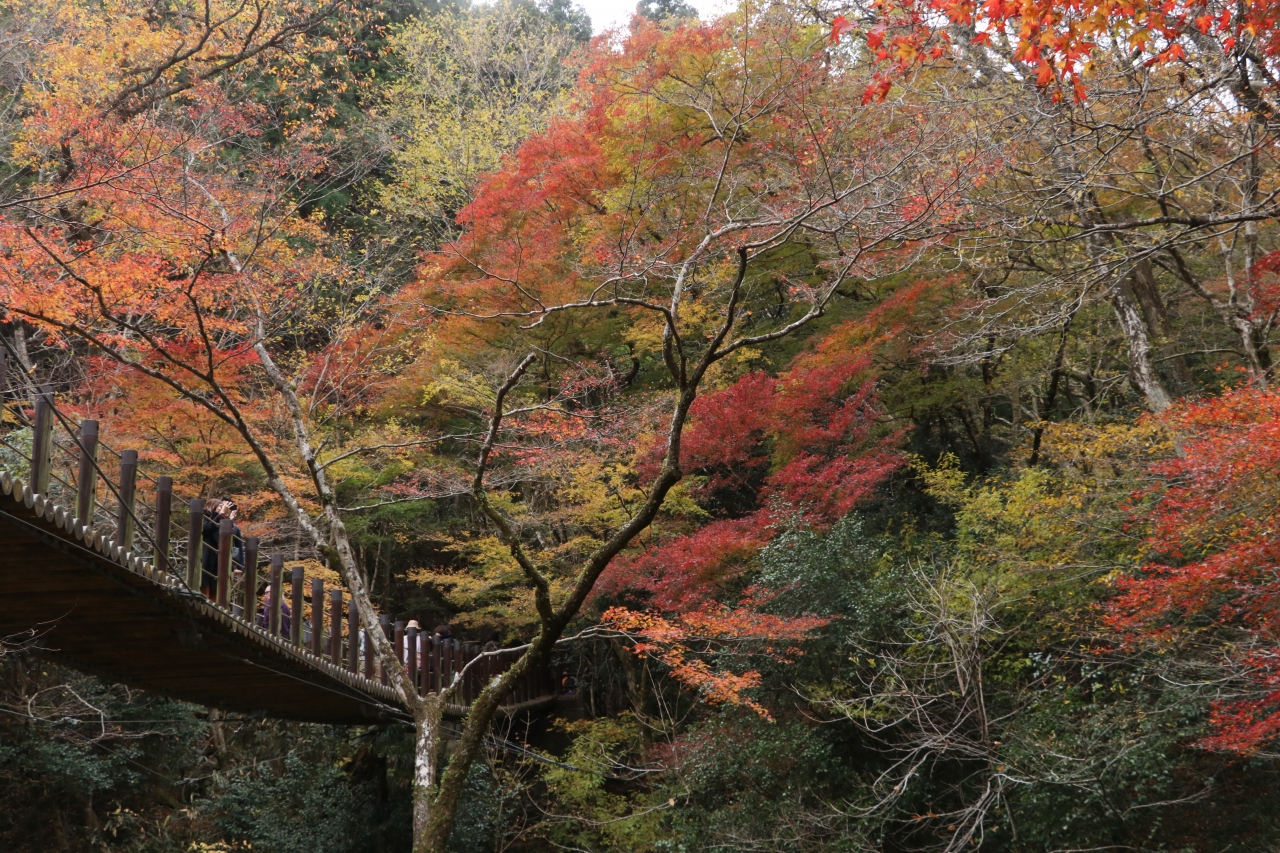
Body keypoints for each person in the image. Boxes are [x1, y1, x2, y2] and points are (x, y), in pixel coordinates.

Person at [200, 497, 243, 601]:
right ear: (211, 506)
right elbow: (207, 529)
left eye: (221, 507)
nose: (221, 509)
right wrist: (220, 515)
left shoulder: (220, 519)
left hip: (217, 559)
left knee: (216, 587)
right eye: (219, 507)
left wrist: (229, 520)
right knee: (204, 584)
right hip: (206, 557)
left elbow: (227, 538)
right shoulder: (204, 515)